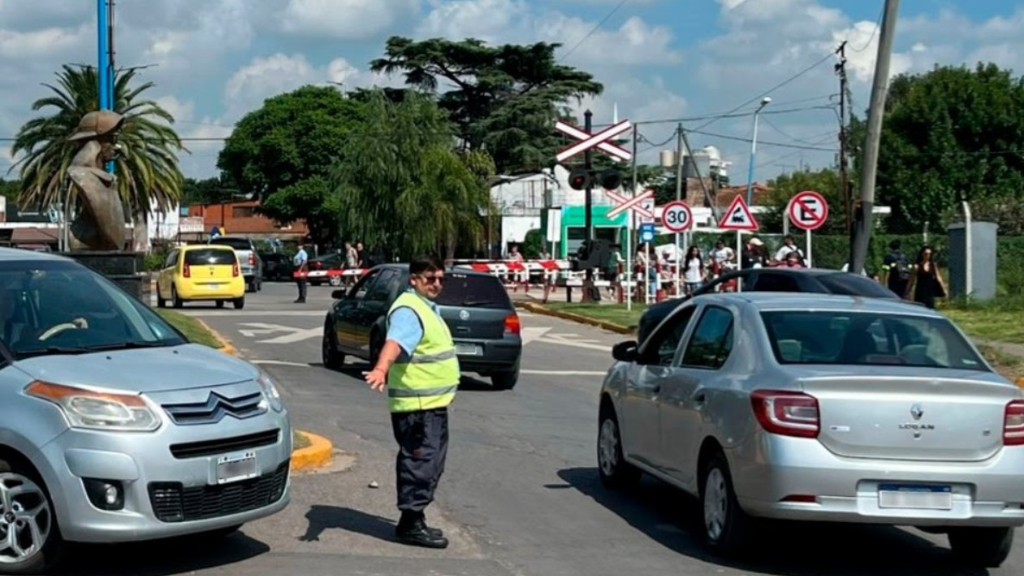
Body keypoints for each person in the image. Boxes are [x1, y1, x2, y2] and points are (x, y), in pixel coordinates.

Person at [363, 255, 459, 549]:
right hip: (417, 406)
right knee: (420, 462)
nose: (437, 284)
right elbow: (394, 343)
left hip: (430, 403)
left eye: (441, 278)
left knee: (430, 463)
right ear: (414, 280)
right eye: (430, 279)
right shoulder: (409, 310)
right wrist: (381, 368)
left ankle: (415, 519)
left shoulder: (425, 307)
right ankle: (410, 524)